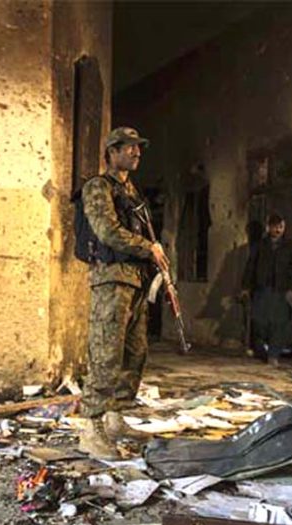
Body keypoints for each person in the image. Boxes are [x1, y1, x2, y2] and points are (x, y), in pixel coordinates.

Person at [78, 126, 169, 459]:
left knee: (135, 351)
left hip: (135, 280)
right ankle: (90, 427)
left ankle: (115, 417)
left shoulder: (132, 192)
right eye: (130, 147)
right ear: (112, 151)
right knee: (106, 353)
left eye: (138, 148)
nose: (137, 153)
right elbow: (106, 230)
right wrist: (149, 248)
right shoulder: (98, 187)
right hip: (111, 279)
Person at [241, 212, 292, 366]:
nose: (278, 230)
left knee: (279, 323)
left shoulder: (289, 247)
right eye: (275, 227)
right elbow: (251, 266)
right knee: (259, 321)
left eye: (280, 227)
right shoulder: (260, 246)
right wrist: (246, 287)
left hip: (280, 290)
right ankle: (260, 349)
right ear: (268, 228)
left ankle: (273, 355)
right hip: (262, 289)